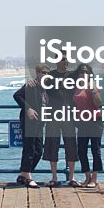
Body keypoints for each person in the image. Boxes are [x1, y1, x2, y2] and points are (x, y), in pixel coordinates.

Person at [43, 58, 79, 187]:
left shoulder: (72, 76)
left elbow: (84, 84)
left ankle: (72, 177)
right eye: (63, 60)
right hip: (53, 114)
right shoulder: (50, 75)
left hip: (68, 114)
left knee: (71, 145)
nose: (66, 62)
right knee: (53, 144)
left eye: (67, 60)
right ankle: (54, 177)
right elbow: (38, 83)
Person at [13, 65, 46, 188]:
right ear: (37, 73)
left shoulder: (47, 87)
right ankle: (27, 177)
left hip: (40, 123)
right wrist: (28, 109)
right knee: (29, 149)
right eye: (43, 72)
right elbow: (17, 95)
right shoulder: (32, 84)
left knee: (38, 151)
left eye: (48, 73)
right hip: (29, 122)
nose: (45, 75)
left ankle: (23, 175)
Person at [73, 63, 103, 189]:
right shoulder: (74, 87)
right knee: (81, 151)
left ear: (90, 74)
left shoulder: (93, 85)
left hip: (95, 121)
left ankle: (94, 178)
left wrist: (94, 91)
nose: (83, 74)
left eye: (86, 72)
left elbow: (98, 104)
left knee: (95, 150)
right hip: (82, 123)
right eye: (81, 71)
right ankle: (87, 177)